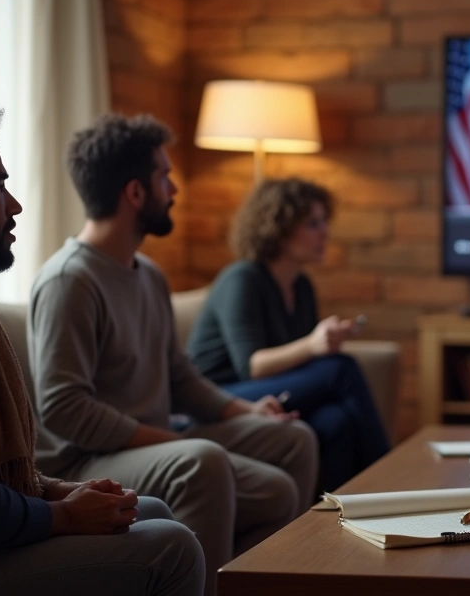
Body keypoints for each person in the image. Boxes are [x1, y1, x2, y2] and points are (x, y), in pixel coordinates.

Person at [0, 87, 203, 595]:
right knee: (172, 549)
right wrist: (61, 516)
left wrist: (62, 493)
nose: (15, 205)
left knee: (145, 510)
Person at [28, 114, 317, 596]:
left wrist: (249, 411)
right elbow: (62, 408)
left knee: (293, 440)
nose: (175, 187)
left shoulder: (149, 275)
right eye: (165, 176)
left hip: (154, 443)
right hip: (86, 462)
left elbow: (181, 377)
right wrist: (166, 438)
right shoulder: (69, 281)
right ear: (135, 193)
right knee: (201, 459)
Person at [186, 178, 390, 492]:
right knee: (342, 369)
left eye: (324, 222)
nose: (325, 232)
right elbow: (251, 366)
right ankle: (388, 482)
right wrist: (313, 345)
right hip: (222, 395)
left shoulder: (302, 286)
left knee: (335, 420)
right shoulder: (242, 278)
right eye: (312, 224)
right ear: (277, 229)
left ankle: (342, 515)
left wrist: (323, 343)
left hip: (269, 389)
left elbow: (299, 362)